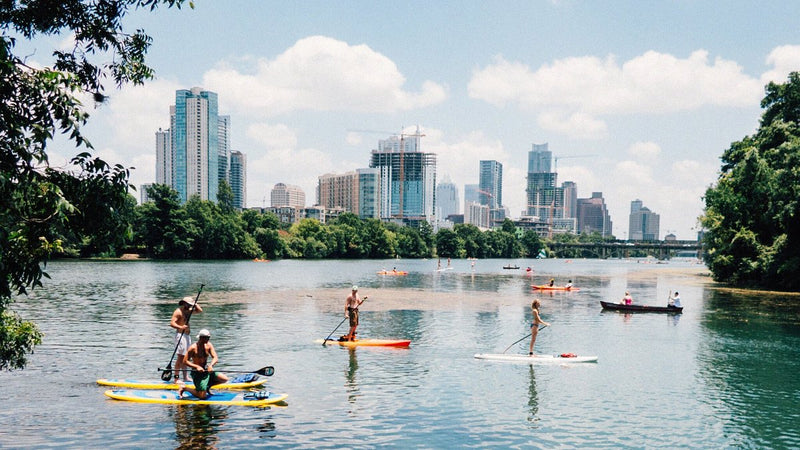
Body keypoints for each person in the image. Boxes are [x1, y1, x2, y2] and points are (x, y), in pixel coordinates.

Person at [178, 329, 228, 400]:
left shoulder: (209, 345)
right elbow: (185, 361)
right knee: (202, 396)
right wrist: (197, 366)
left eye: (209, 337)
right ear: (201, 338)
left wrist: (211, 365)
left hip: (207, 371)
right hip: (197, 373)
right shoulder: (193, 348)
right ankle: (185, 388)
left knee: (224, 379)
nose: (208, 339)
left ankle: (207, 387)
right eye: (207, 338)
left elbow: (215, 357)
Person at [170, 296, 203, 382]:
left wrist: (195, 303)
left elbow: (200, 310)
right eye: (188, 304)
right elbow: (172, 323)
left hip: (187, 335)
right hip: (180, 335)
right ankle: (176, 378)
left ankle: (185, 377)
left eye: (190, 305)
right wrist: (181, 326)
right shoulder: (178, 312)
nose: (189, 306)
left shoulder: (189, 311)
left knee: (186, 357)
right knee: (180, 357)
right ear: (184, 303)